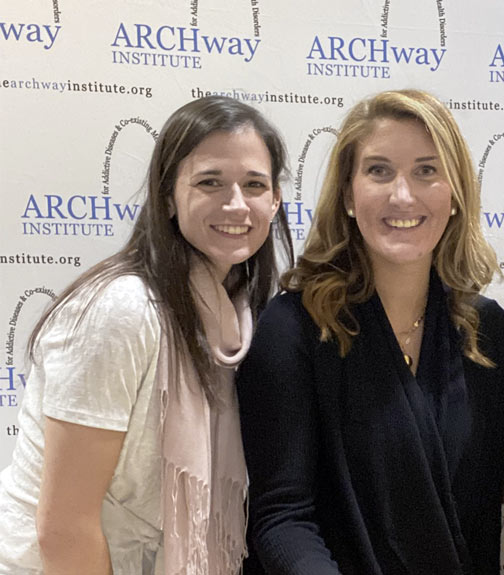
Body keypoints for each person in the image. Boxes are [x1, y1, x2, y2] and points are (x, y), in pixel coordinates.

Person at [0, 95, 293, 575]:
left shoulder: (239, 315)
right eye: (210, 182)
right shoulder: (123, 311)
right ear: (167, 198)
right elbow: (63, 527)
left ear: (275, 200)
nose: (236, 203)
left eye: (254, 184)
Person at [237, 89, 504, 575]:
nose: (402, 195)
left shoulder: (488, 333)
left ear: (455, 194)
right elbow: (281, 516)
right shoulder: (294, 328)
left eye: (426, 171)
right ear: (348, 194)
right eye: (379, 170)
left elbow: (478, 521)